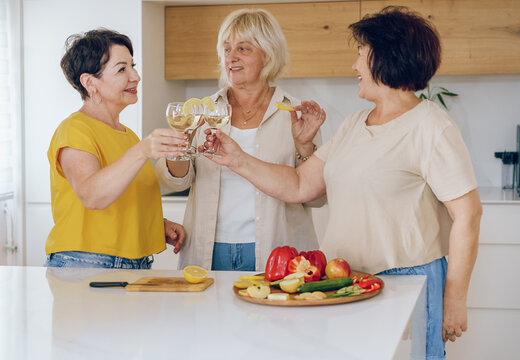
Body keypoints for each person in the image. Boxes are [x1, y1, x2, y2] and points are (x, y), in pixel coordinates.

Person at [203, 6, 482, 359]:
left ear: (385, 57)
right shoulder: (354, 123)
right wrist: (236, 158)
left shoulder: (431, 126)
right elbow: (300, 185)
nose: (354, 66)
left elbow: (468, 215)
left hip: (409, 281)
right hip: (348, 282)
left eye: (360, 54)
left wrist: (454, 298)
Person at [155, 8, 324, 271]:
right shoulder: (202, 110)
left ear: (268, 54)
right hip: (209, 249)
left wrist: (304, 148)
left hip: (279, 251)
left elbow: (315, 197)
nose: (231, 58)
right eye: (226, 49)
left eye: (243, 49)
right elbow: (176, 181)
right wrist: (181, 142)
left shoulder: (295, 113)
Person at [45, 29, 187, 269]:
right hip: (86, 263)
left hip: (132, 263)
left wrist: (156, 224)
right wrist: (143, 150)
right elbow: (92, 195)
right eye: (122, 69)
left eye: (133, 66)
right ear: (90, 82)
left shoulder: (127, 135)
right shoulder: (74, 130)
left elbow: (122, 198)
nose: (136, 76)